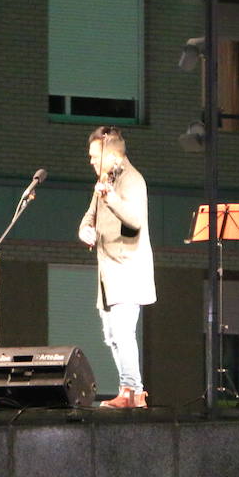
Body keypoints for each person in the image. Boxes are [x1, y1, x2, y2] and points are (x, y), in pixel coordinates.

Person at [78, 125, 156, 409]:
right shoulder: (104, 181)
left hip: (127, 270)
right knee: (111, 336)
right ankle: (127, 388)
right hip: (107, 273)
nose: (89, 160)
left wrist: (109, 196)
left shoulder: (132, 180)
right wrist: (84, 230)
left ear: (110, 155)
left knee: (124, 335)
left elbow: (135, 219)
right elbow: (89, 217)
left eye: (93, 155)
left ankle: (134, 393)